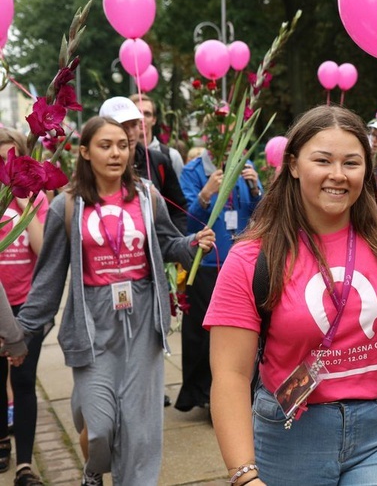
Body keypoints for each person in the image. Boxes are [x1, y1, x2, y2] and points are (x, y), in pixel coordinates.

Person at [204, 106, 377, 485]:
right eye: (322, 160)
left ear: (365, 169)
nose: (338, 175)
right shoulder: (253, 257)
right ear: (294, 164)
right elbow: (230, 375)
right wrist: (244, 475)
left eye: (351, 162)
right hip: (290, 434)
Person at [15, 117, 215, 486]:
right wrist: (22, 333)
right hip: (93, 323)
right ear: (85, 152)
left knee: (141, 432)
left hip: (142, 320)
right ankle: (94, 471)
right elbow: (49, 279)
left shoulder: (147, 197)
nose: (116, 153)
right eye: (105, 145)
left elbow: (167, 243)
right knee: (99, 428)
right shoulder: (68, 207)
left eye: (122, 145)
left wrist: (190, 245)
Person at [176, 145, 263, 412]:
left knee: (246, 335)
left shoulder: (245, 166)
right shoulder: (193, 172)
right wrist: (205, 195)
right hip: (208, 263)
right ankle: (205, 395)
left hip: (243, 261)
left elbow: (260, 216)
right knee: (206, 337)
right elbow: (187, 223)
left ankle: (244, 393)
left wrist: (257, 190)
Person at [0, 129, 47, 486]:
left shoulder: (34, 197)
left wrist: (22, 204)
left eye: (13, 157)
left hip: (27, 304)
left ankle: (25, 465)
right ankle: (2, 438)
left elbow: (43, 251)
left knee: (24, 379)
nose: (8, 166)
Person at [99, 96, 187, 233]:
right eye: (122, 126)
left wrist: (170, 244)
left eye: (134, 124)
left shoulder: (158, 160)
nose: (130, 132)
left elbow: (178, 209)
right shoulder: (93, 168)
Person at [129, 93, 184, 178]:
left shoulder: (171, 156)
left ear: (154, 120)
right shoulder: (122, 155)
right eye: (137, 113)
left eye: (147, 114)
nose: (141, 119)